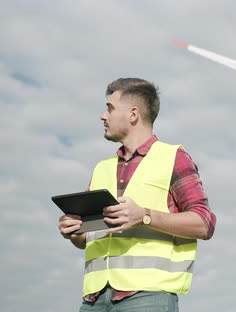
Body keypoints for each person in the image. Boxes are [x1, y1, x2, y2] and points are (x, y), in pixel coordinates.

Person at [58, 78, 216, 312]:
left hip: (146, 298)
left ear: (133, 114)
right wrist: (74, 231)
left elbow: (204, 223)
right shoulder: (102, 168)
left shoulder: (173, 157)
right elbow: (86, 238)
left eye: (110, 108)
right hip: (94, 300)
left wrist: (144, 215)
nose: (103, 116)